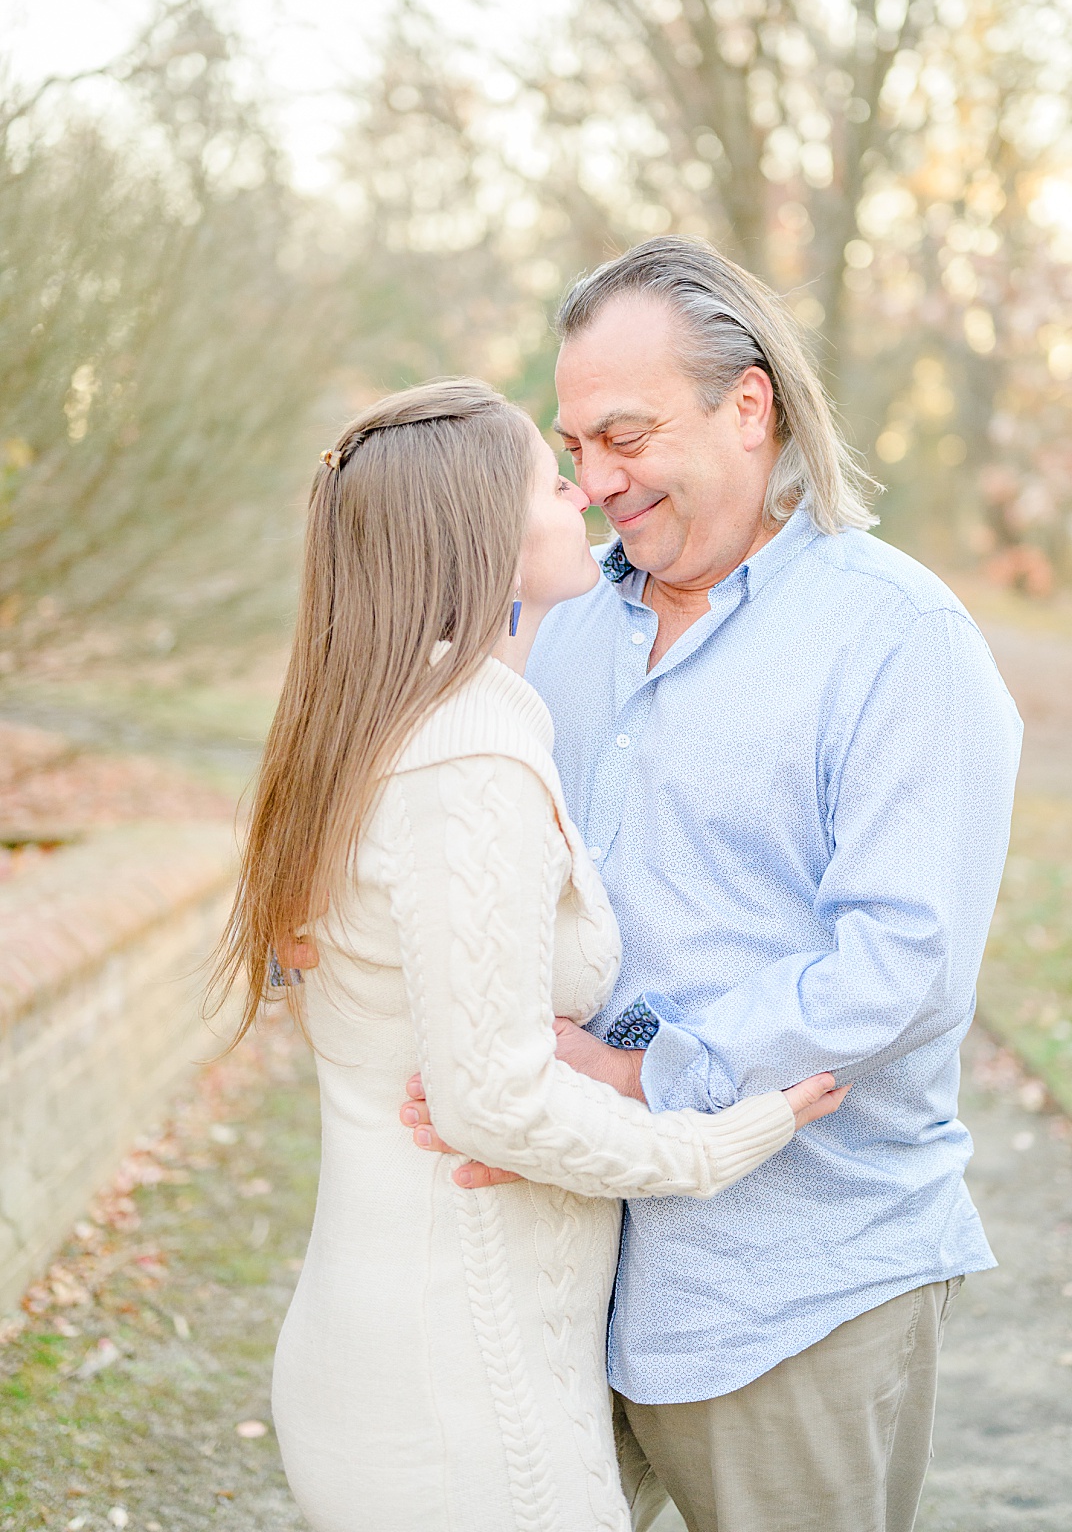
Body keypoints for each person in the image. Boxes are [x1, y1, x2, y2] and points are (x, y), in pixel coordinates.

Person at [400, 236, 1022, 1532]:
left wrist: (647, 1075)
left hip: (794, 1280)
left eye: (625, 436)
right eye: (575, 448)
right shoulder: (560, 629)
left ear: (750, 407)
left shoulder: (901, 640)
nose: (596, 480)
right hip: (565, 1264)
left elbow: (901, 968)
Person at [218, 379, 849, 1532]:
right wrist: (721, 1140)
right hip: (460, 1392)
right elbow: (489, 1099)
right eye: (552, 479)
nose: (586, 491)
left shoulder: (391, 734)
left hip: (422, 1346)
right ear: (489, 537)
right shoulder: (467, 763)